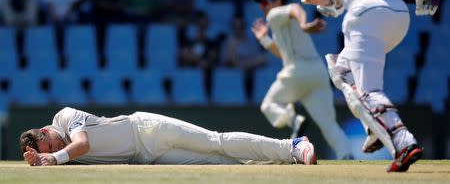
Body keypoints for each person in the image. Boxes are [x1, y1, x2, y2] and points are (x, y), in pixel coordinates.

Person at [301, 0, 440, 172]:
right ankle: (374, 126)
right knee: (340, 68)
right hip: (398, 18)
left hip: (364, 20)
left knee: (368, 91)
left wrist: (330, 0)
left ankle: (403, 142)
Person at [250, 0, 353, 160]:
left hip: (298, 71)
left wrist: (305, 25)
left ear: (277, 2)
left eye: (265, 2)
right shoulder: (280, 23)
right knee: (329, 124)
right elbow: (283, 53)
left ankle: (294, 121)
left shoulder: (275, 13)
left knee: (268, 105)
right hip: (317, 73)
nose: (262, 7)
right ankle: (347, 155)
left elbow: (295, 8)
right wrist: (264, 39)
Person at [20, 107, 316, 165]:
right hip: (144, 156)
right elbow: (58, 157)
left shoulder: (65, 117)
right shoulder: (58, 153)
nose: (54, 148)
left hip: (147, 128)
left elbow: (81, 145)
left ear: (46, 131)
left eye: (50, 144)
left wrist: (54, 157)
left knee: (217, 141)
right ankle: (280, 161)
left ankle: (292, 146)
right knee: (225, 165)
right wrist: (38, 160)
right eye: (50, 149)